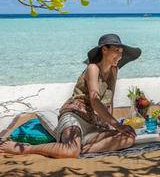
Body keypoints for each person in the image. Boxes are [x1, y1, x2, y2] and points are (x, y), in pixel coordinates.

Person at [0, 34, 141, 158]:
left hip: (94, 124)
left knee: (129, 138)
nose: (120, 56)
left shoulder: (114, 71)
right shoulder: (93, 68)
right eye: (116, 51)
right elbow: (94, 99)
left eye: (121, 52)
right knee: (70, 151)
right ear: (104, 49)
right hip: (75, 116)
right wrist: (116, 124)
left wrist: (111, 127)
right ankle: (25, 149)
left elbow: (109, 101)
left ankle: (84, 149)